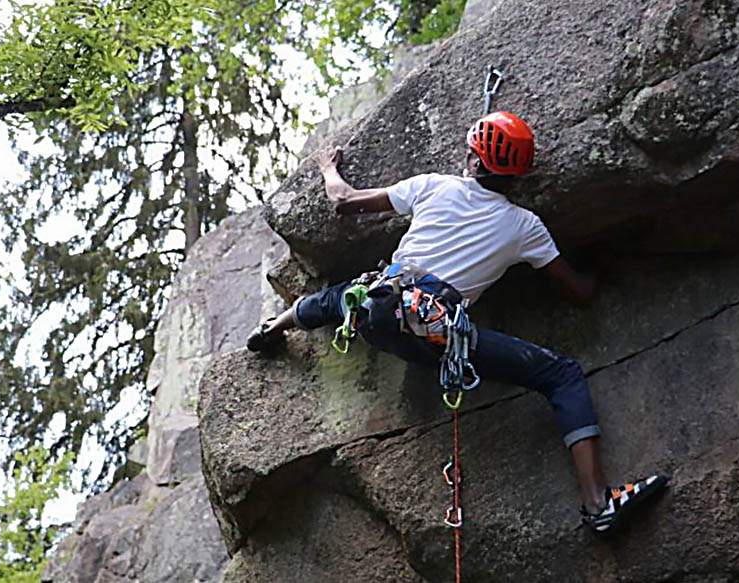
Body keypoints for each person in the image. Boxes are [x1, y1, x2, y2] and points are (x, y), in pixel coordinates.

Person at [247, 111, 666, 533]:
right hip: (437, 340)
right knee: (562, 376)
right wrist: (604, 266)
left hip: (380, 311)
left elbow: (343, 202)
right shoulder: (525, 227)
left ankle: (273, 327)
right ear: (519, 174)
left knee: (338, 299)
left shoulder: (433, 186)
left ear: (476, 163)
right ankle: (597, 504)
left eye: (470, 152)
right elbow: (579, 293)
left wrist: (327, 168)